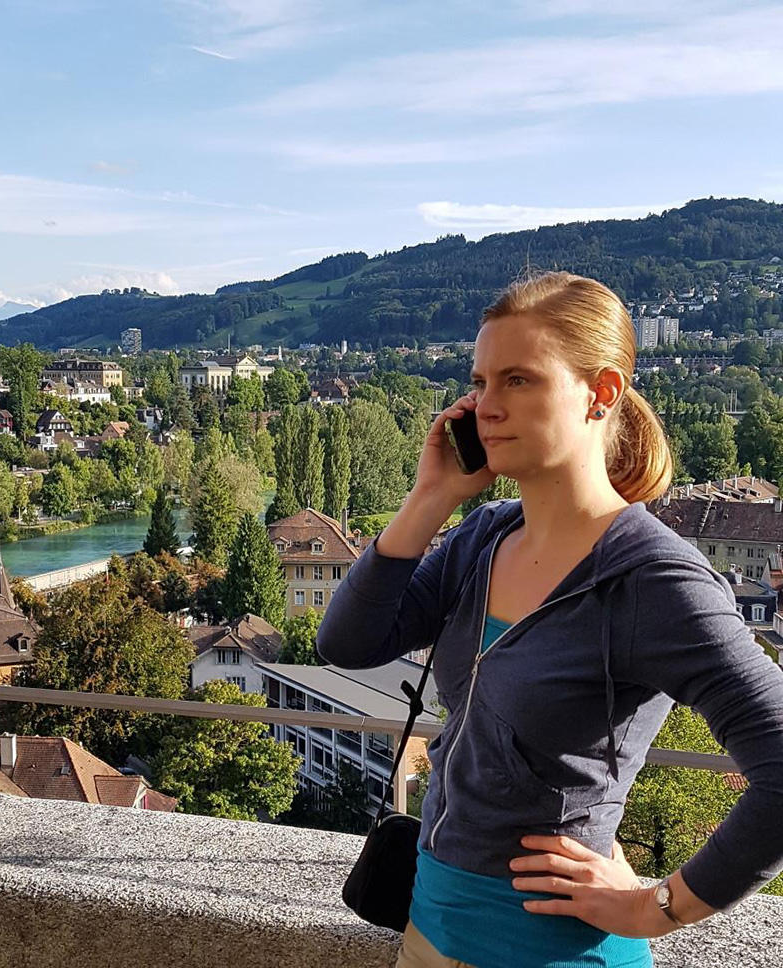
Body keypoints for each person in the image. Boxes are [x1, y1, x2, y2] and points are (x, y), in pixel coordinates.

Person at [316, 271, 783, 968]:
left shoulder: (651, 579)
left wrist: (658, 905)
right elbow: (347, 643)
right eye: (480, 382)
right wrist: (431, 499)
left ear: (601, 394)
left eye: (519, 380)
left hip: (553, 954)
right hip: (429, 935)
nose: (484, 406)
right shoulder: (483, 539)